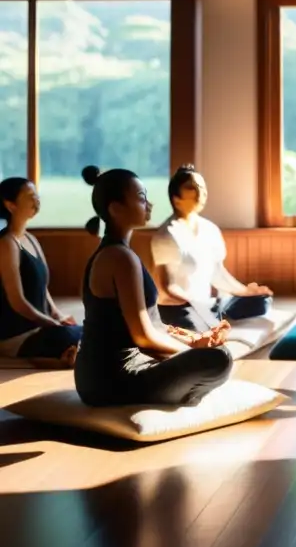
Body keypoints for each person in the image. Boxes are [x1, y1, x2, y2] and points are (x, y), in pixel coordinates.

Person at [74, 165, 233, 408]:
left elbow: (151, 323)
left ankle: (183, 393)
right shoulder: (119, 258)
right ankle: (185, 396)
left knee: (213, 354)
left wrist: (195, 339)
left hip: (108, 377)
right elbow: (143, 337)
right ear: (115, 209)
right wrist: (190, 353)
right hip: (112, 381)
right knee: (219, 359)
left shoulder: (120, 253)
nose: (149, 204)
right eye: (141, 198)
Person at [152, 165, 273, 332]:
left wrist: (246, 292)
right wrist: (196, 304)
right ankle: (210, 321)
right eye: (191, 187)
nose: (200, 191)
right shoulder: (166, 235)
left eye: (202, 186)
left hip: (207, 304)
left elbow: (218, 274)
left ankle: (214, 317)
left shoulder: (210, 229)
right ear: (176, 198)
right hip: (180, 308)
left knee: (262, 301)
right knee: (200, 323)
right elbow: (167, 287)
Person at [0, 177, 82, 366]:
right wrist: (49, 323)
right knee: (80, 337)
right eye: (30, 196)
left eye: (36, 195)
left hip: (40, 328)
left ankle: (68, 355)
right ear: (10, 204)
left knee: (89, 332)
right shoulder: (6, 244)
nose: (36, 200)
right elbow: (17, 301)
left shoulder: (30, 239)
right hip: (18, 334)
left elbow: (43, 288)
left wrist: (58, 316)